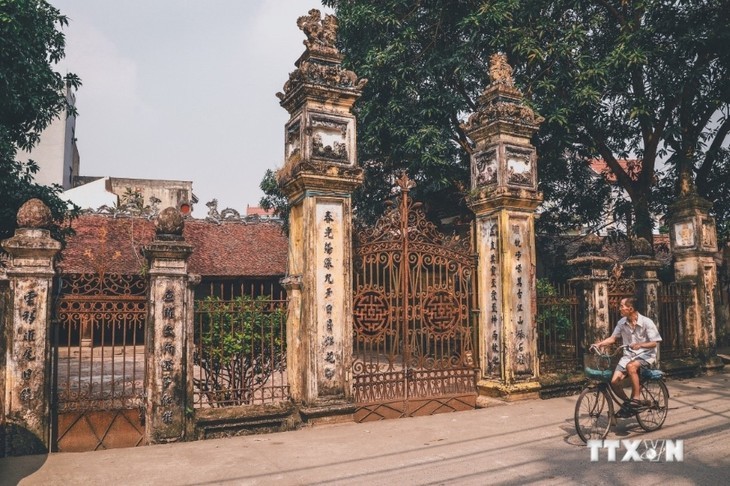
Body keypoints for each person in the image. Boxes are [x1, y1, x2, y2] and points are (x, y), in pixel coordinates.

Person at [594, 297, 662, 417]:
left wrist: (640, 344)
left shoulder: (647, 322)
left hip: (646, 355)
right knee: (614, 381)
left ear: (630, 309)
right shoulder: (622, 322)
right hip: (628, 355)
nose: (619, 308)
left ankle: (635, 399)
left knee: (631, 367)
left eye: (621, 306)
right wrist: (599, 344)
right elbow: (613, 338)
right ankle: (628, 404)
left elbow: (654, 342)